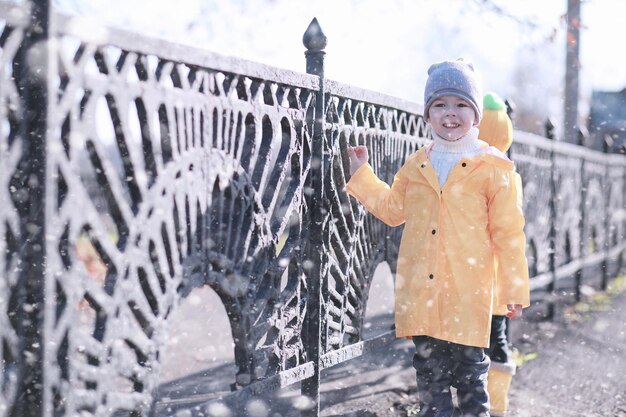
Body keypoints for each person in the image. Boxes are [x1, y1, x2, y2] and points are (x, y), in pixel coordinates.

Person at [345, 60, 530, 417]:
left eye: (462, 105)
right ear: (427, 115)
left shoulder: (492, 167)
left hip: (468, 294)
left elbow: (509, 234)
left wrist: (514, 289)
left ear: (476, 116)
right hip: (424, 296)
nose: (451, 114)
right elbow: (392, 208)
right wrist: (362, 176)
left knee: (470, 378)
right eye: (440, 105)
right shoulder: (417, 165)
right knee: (430, 380)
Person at [478, 92, 518, 417]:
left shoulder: (486, 173)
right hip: (493, 281)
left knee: (480, 343)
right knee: (496, 341)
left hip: (477, 280)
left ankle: (487, 404)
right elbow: (511, 236)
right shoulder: (508, 173)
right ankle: (495, 407)